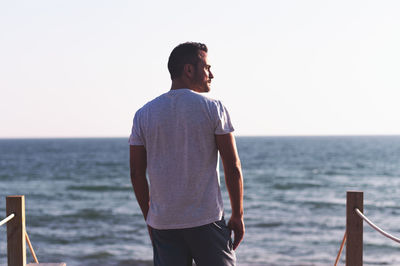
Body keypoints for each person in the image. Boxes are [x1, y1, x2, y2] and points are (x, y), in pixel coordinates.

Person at [129, 42, 244, 266]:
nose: (212, 74)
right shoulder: (214, 108)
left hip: (164, 224)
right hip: (206, 220)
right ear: (189, 69)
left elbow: (136, 173)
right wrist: (238, 215)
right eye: (207, 67)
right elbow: (233, 167)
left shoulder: (143, 114)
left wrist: (150, 218)